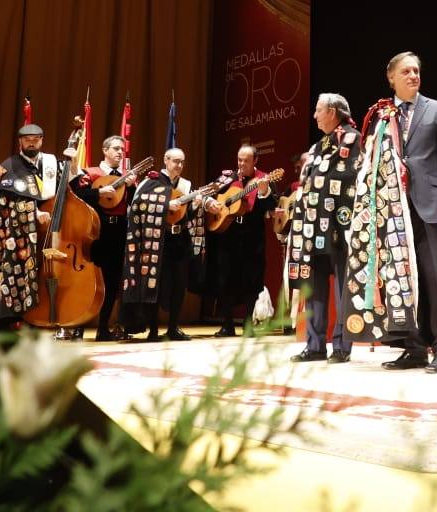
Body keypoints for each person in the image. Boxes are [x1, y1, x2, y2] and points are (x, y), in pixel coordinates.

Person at [370, 51, 437, 374]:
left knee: (436, 280)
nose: (413, 76)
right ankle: (413, 347)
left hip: (431, 208)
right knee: (403, 280)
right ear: (391, 77)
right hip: (395, 211)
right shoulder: (383, 117)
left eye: (416, 71)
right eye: (406, 72)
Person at [0, 123, 72, 330]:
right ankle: (10, 317)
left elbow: (70, 186)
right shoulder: (9, 165)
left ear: (42, 140)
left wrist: (74, 161)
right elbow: (0, 196)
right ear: (20, 142)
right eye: (27, 139)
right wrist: (33, 212)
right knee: (12, 270)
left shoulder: (52, 164)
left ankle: (43, 315)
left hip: (49, 229)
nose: (31, 142)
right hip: (15, 231)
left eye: (36, 138)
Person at [287, 94, 363, 364]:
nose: (315, 115)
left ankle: (342, 345)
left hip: (340, 225)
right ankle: (315, 344)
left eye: (318, 110)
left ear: (332, 111)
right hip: (314, 226)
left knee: (343, 284)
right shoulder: (319, 146)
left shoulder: (354, 138)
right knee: (314, 284)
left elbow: (351, 176)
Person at [120, 147, 209, 342]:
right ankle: (153, 330)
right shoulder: (151, 181)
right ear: (166, 160)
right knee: (156, 285)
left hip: (179, 241)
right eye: (175, 161)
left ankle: (173, 327)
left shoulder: (184, 186)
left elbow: (184, 215)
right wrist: (164, 205)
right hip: (158, 242)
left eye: (182, 162)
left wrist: (195, 205)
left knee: (179, 285)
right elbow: (137, 205)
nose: (179, 165)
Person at [203, 145, 274, 336]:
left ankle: (248, 324)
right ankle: (227, 324)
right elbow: (207, 193)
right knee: (225, 278)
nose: (241, 164)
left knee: (252, 279)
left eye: (246, 160)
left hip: (252, 235)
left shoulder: (264, 178)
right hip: (228, 234)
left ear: (255, 161)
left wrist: (265, 191)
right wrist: (211, 203)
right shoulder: (228, 178)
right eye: (239, 160)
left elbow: (270, 206)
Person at [71, 136, 136, 341]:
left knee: (112, 280)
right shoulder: (91, 173)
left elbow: (133, 205)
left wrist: (133, 187)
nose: (120, 152)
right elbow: (76, 195)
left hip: (118, 233)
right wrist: (98, 192)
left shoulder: (126, 177)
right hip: (95, 232)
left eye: (122, 149)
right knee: (88, 280)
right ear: (105, 150)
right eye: (116, 149)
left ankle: (103, 328)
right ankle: (78, 327)